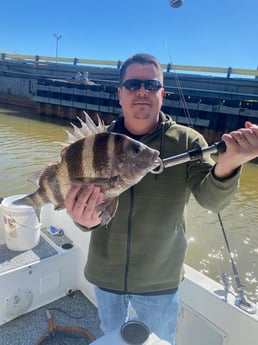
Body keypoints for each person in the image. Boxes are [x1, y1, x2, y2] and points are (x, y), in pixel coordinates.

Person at [64, 53, 258, 344]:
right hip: (104, 276)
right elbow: (81, 205)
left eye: (151, 85)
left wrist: (230, 164)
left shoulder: (188, 141)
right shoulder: (97, 144)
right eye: (132, 84)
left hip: (159, 284)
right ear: (120, 93)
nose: (142, 91)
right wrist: (82, 221)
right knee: (110, 337)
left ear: (162, 93)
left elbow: (212, 201)